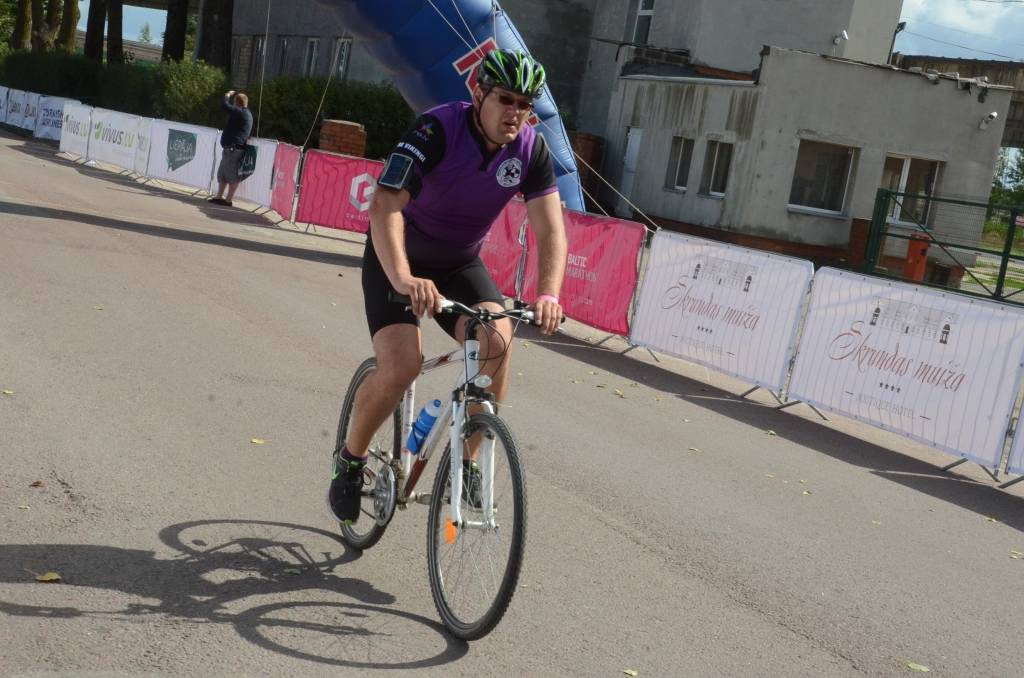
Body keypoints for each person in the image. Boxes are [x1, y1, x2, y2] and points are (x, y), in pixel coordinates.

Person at [328, 49, 568, 524]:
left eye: (525, 105)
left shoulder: (531, 150)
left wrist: (549, 294)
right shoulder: (436, 130)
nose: (516, 113)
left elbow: (551, 231)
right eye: (506, 99)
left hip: (457, 261)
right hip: (399, 255)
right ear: (478, 94)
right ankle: (350, 462)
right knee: (402, 366)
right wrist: (403, 277)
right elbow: (385, 205)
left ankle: (468, 463)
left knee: (497, 339)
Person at [208, 90, 253, 207]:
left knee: (232, 176)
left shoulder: (241, 112)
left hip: (234, 150)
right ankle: (219, 197)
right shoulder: (243, 113)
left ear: (237, 103)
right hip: (231, 149)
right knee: (222, 173)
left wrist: (227, 95)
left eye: (234, 102)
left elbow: (225, 106)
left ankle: (228, 200)